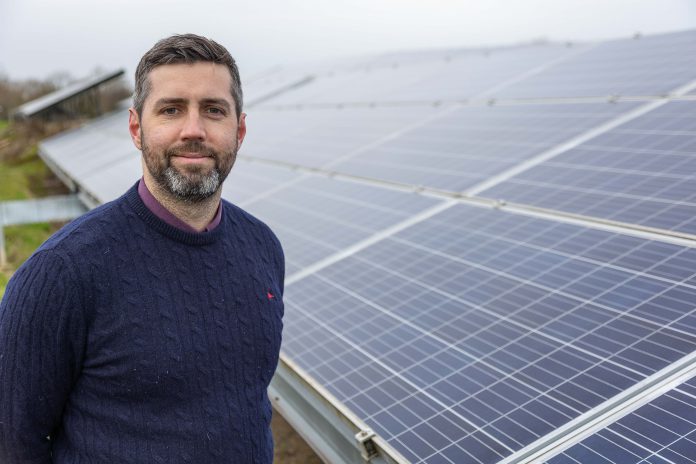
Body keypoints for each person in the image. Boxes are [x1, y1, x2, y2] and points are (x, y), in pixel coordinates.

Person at [0, 34, 285, 463]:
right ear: (137, 128)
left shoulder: (262, 247)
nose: (194, 130)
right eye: (171, 110)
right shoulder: (62, 273)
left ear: (239, 130)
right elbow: (12, 442)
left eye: (214, 110)